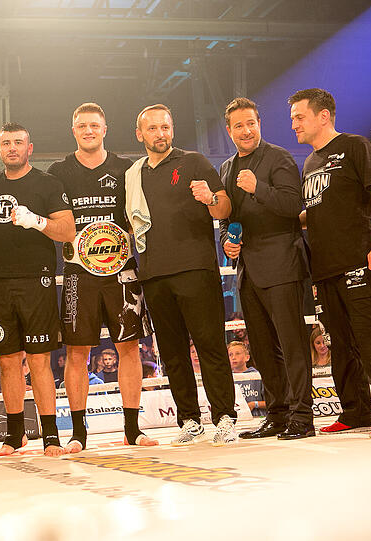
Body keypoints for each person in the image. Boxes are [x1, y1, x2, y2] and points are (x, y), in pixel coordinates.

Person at [289, 88, 371, 438]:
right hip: (325, 268)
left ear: (323, 116)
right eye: (293, 119)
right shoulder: (310, 162)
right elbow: (318, 212)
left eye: (299, 117)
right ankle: (356, 411)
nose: (294, 124)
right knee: (341, 345)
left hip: (360, 261)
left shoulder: (355, 146)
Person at [126, 103, 238, 447]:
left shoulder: (194, 162)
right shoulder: (134, 174)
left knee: (210, 345)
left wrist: (210, 197)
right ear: (140, 134)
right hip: (154, 273)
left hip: (196, 269)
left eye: (165, 127)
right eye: (153, 128)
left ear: (172, 129)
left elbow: (225, 208)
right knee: (172, 353)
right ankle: (189, 420)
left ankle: (225, 417)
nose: (160, 134)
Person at [47, 103, 156, 451]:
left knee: (129, 347)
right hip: (78, 272)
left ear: (105, 129)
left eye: (94, 125)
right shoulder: (58, 171)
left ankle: (132, 429)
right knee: (76, 352)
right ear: (73, 130)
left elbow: (142, 213)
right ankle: (78, 433)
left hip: (121, 270)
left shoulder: (126, 168)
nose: (88, 130)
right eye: (82, 125)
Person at [0, 122, 75, 457]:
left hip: (37, 281)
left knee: (39, 360)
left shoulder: (47, 183)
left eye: (18, 142)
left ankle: (50, 434)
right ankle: (15, 433)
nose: (12, 148)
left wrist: (38, 221)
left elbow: (68, 231)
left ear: (29, 148)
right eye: (6, 143)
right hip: (0, 283)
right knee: (7, 361)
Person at [218, 97, 315, 440]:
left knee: (292, 344)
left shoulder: (279, 157)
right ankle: (277, 414)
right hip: (247, 268)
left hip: (282, 262)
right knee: (261, 348)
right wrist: (227, 241)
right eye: (239, 125)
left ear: (259, 123)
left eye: (251, 123)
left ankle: (302, 416)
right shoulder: (226, 168)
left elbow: (293, 205)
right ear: (229, 130)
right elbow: (228, 219)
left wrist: (258, 187)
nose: (246, 131)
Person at [227, 342, 266, 417]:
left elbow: (272, 402)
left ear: (247, 357)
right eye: (230, 355)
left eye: (237, 353)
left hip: (258, 418)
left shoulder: (257, 376)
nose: (233, 357)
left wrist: (254, 404)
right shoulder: (227, 379)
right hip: (236, 419)